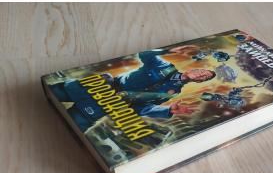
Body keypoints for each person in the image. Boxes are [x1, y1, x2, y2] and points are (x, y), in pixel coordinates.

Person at [50, 48, 215, 132]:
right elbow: (145, 55)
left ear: (198, 81)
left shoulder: (175, 92)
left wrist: (168, 111)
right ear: (194, 69)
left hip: (103, 105)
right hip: (94, 87)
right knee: (51, 94)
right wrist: (167, 51)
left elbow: (142, 108)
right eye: (202, 71)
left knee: (64, 129)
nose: (201, 75)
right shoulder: (165, 66)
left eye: (204, 77)